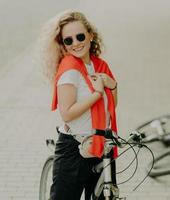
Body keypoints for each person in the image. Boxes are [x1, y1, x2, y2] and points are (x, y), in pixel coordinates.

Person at [39, 10, 118, 200]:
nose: (76, 43)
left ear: (91, 35)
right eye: (69, 40)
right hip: (75, 147)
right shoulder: (69, 71)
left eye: (80, 36)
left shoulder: (100, 66)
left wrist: (112, 85)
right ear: (63, 45)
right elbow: (66, 113)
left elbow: (112, 105)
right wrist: (97, 94)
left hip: (101, 144)